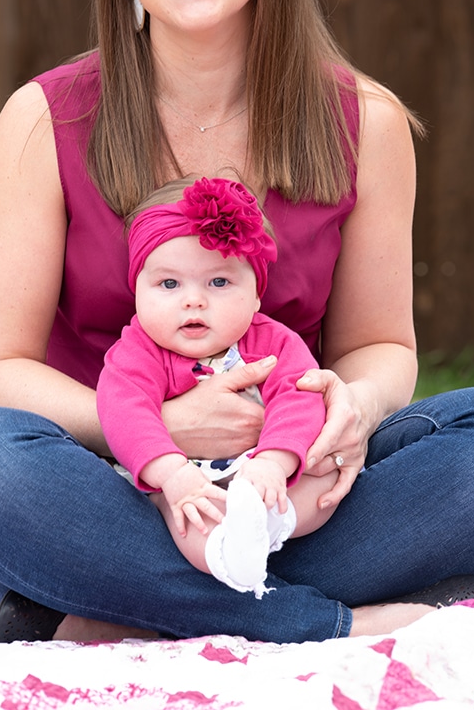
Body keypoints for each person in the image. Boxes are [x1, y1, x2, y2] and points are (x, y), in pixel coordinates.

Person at [0, 0, 474, 646]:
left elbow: (382, 345)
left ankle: (107, 610)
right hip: (109, 487)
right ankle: (321, 617)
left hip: (291, 493)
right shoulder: (44, 120)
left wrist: (354, 404)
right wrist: (162, 433)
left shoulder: (365, 121)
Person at [98, 176, 340, 599]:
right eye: (169, 285)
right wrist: (173, 474)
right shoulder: (137, 351)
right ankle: (228, 556)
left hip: (266, 479)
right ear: (137, 290)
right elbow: (124, 413)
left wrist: (273, 464)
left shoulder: (275, 343)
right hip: (189, 479)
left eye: (219, 283)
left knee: (328, 473)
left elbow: (300, 401)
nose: (193, 301)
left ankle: (267, 526)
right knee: (187, 517)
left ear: (256, 295)